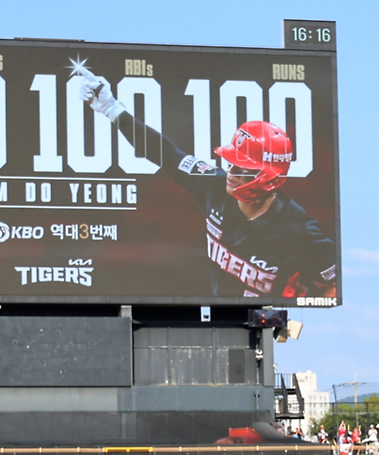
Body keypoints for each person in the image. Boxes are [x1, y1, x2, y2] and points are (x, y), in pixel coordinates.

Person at [78, 72, 337, 301]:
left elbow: (333, 286)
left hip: (261, 321)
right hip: (216, 313)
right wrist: (112, 109)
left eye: (241, 168)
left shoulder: (300, 232)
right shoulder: (214, 187)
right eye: (231, 163)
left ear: (269, 177)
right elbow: (165, 153)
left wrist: (303, 299)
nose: (230, 173)